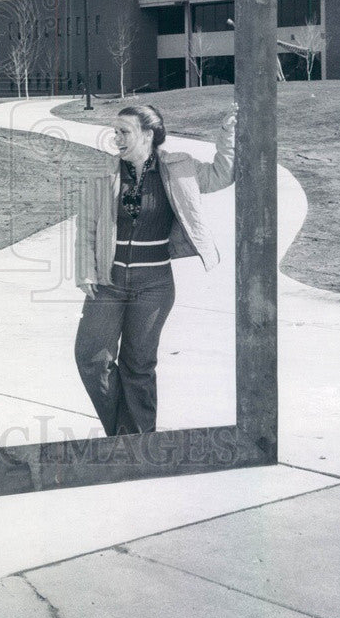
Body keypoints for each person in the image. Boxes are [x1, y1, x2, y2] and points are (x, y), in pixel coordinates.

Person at [74, 101, 237, 436]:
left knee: (139, 365)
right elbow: (87, 225)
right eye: (115, 131)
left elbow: (223, 173)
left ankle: (136, 444)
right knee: (91, 357)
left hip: (155, 285)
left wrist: (227, 134)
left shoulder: (179, 167)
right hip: (109, 280)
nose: (116, 138)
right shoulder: (104, 172)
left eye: (124, 132)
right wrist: (86, 270)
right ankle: (127, 433)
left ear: (148, 134)